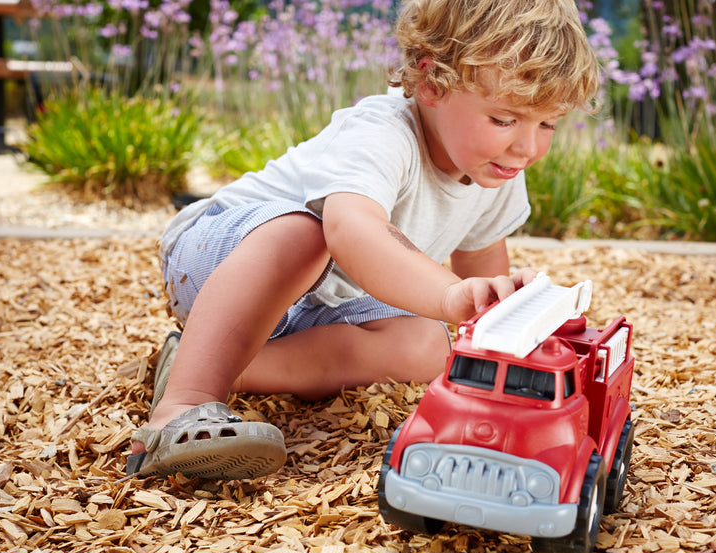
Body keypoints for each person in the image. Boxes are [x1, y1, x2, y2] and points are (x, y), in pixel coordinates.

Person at [126, 0, 601, 480]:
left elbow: (480, 271)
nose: (528, 147)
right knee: (308, 234)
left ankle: (209, 360)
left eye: (548, 124)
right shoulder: (382, 133)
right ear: (433, 81)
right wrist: (447, 293)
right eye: (504, 120)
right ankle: (182, 404)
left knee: (430, 345)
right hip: (219, 263)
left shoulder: (497, 171)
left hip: (319, 309)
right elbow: (352, 231)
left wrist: (507, 323)